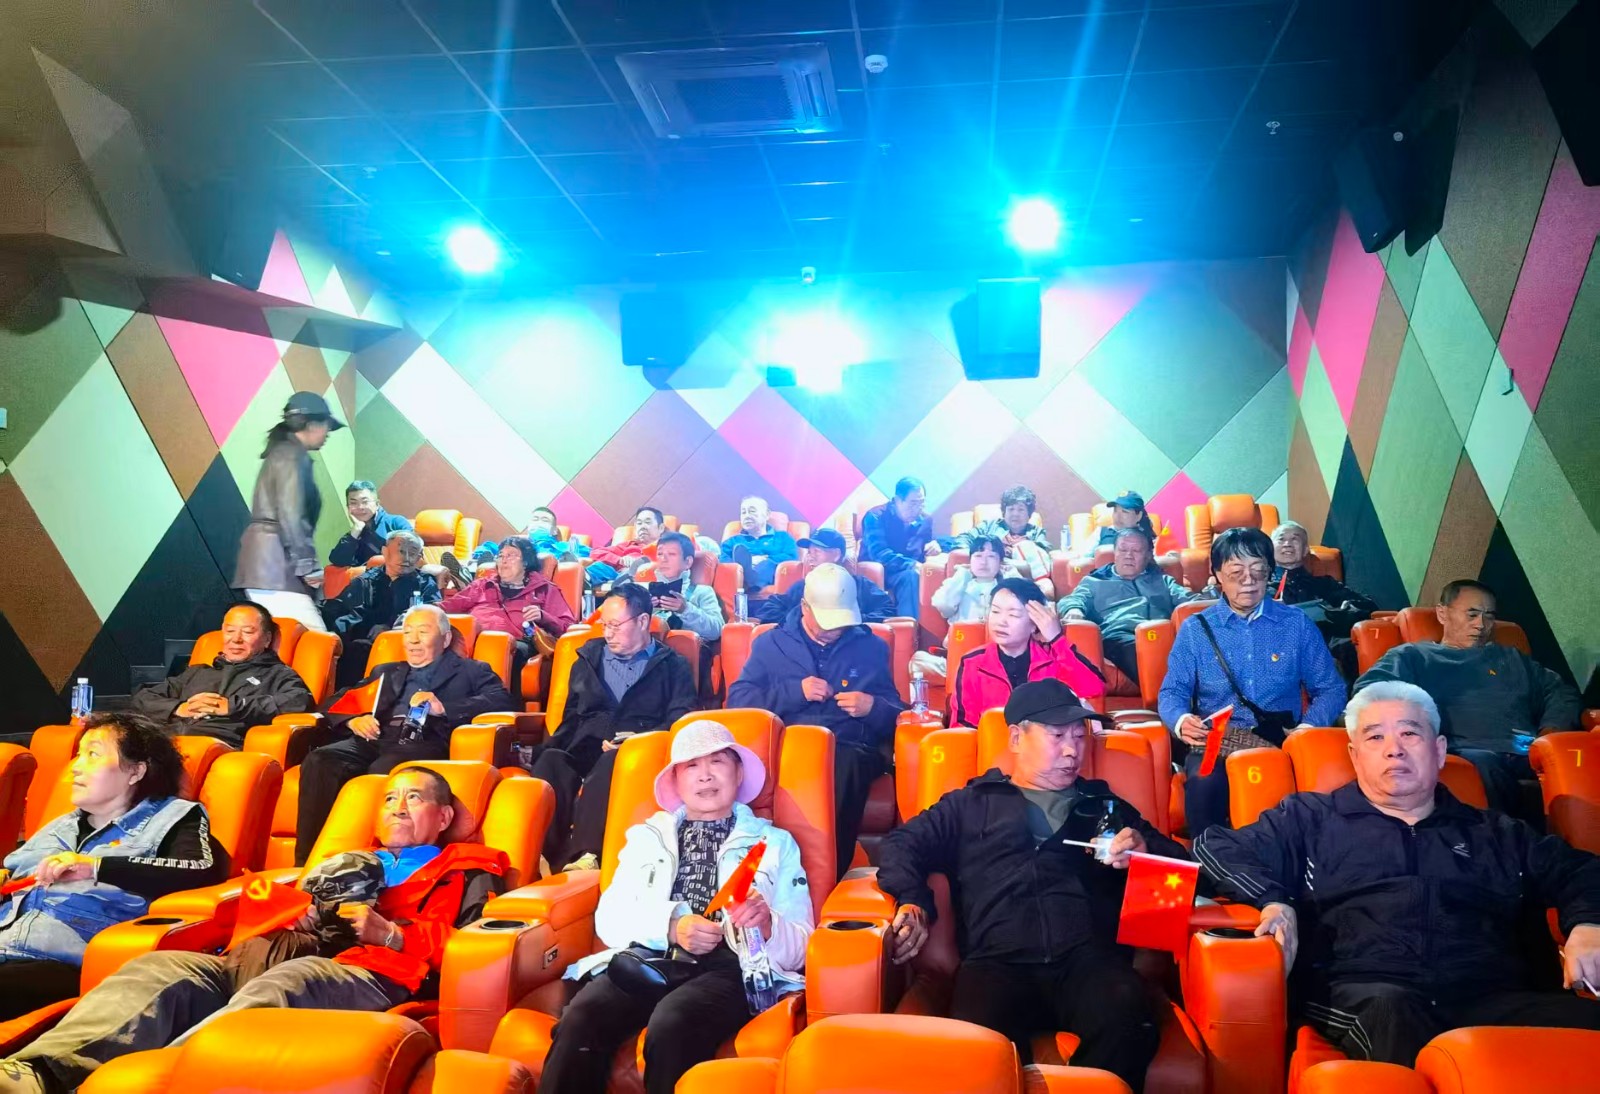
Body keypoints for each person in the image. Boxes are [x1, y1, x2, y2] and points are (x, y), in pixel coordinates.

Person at [0, 768, 507, 1094]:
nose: (397, 805)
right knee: (162, 967)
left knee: (291, 982)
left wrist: (390, 934)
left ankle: (161, 1079)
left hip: (366, 971)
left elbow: (470, 945)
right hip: (262, 954)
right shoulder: (339, 862)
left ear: (444, 816)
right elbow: (261, 907)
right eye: (390, 797)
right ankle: (38, 1071)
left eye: (414, 798)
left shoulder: (466, 869)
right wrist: (294, 912)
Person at [1193, 681, 1600, 1067]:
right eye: (1375, 737)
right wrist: (1273, 900)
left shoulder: (1495, 832)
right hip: (1365, 991)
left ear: (1439, 750)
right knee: (1394, 1014)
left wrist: (1588, 923)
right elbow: (1214, 847)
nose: (1394, 750)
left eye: (1409, 734)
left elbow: (1581, 870)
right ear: (1354, 755)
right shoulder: (1309, 818)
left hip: (1492, 996)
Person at [879, 680, 1187, 1090]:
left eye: (1080, 736)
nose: (1073, 750)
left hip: (1089, 962)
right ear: (1015, 738)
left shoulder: (1102, 806)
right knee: (974, 1044)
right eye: (1058, 736)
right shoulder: (972, 803)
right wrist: (914, 900)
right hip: (996, 963)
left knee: (1132, 1019)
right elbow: (902, 844)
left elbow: (1181, 866)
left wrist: (1145, 851)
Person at [540, 722, 813, 1094]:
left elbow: (801, 944)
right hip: (651, 959)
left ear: (738, 774)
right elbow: (610, 918)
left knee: (673, 1022)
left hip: (731, 967)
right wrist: (670, 926)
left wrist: (766, 925)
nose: (705, 775)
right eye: (691, 766)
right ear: (676, 782)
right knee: (581, 1018)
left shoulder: (775, 843)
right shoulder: (646, 838)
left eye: (717, 761)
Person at [0, 713, 228, 1020]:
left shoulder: (175, 816)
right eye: (78, 754)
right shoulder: (60, 825)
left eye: (92, 754)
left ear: (135, 771)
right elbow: (13, 875)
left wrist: (96, 867)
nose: (76, 766)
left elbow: (201, 869)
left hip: (64, 961)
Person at [1159, 527, 1346, 837]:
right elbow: (1172, 691)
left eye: (1258, 571)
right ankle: (1210, 859)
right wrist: (1180, 720)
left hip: (1282, 736)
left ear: (1269, 572)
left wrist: (1308, 728)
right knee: (1204, 783)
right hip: (1216, 738)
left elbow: (1331, 689)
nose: (1248, 580)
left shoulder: (1296, 624)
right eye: (1236, 572)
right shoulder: (1196, 629)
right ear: (1217, 575)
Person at [295, 605, 510, 864]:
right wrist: (354, 719)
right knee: (321, 760)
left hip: (424, 740)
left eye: (423, 631)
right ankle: (310, 862)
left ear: (445, 639)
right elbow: (335, 701)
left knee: (383, 769)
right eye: (407, 632)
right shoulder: (385, 671)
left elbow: (502, 700)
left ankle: (370, 860)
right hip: (375, 737)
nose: (413, 640)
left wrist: (444, 707)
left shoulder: (471, 670)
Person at [728, 564, 905, 877]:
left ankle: (823, 875)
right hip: (788, 747)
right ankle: (762, 874)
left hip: (848, 747)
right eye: (827, 621)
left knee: (841, 765)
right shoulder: (770, 644)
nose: (835, 629)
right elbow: (739, 701)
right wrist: (795, 692)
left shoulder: (870, 646)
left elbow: (897, 712)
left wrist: (872, 707)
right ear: (804, 608)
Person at [1353, 579, 1581, 818]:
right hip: (1463, 751)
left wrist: (1551, 731)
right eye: (1472, 614)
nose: (1481, 625)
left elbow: (1561, 693)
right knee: (1484, 763)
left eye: (1489, 616)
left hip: (1529, 752)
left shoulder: (1512, 658)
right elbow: (1371, 690)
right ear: (1442, 614)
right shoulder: (1413, 656)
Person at [527, 584, 697, 869]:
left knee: (611, 762)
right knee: (551, 761)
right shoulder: (587, 659)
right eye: (604, 625)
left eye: (615, 625)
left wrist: (637, 741)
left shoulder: (673, 666)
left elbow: (679, 719)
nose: (607, 633)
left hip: (633, 752)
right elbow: (571, 718)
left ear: (643, 621)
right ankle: (541, 856)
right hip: (585, 746)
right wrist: (542, 751)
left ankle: (586, 857)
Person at [129, 603, 314, 748]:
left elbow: (299, 700)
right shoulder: (198, 672)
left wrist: (232, 707)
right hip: (166, 739)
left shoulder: (276, 674)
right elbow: (143, 697)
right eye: (230, 631)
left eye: (247, 632)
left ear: (267, 639)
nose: (236, 639)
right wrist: (179, 708)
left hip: (218, 745)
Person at [233, 391, 342, 633]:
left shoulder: (282, 452)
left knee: (284, 642)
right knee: (317, 641)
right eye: (327, 426)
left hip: (266, 564)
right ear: (312, 424)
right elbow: (292, 514)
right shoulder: (293, 456)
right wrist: (308, 565)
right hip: (277, 567)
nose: (328, 433)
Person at [951, 578, 1105, 729]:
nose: (1001, 622)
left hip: (1045, 743)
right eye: (995, 611)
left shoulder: (1053, 657)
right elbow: (962, 725)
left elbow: (1093, 688)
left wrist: (1056, 638)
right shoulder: (973, 663)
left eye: (1013, 615)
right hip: (993, 743)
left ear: (1034, 623)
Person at [439, 536, 575, 700]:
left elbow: (568, 627)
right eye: (501, 556)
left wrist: (543, 616)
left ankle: (501, 702)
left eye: (511, 556)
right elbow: (447, 607)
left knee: (506, 649)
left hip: (516, 644)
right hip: (474, 642)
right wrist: (421, 610)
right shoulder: (483, 585)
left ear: (525, 562)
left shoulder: (544, 589)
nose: (504, 560)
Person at [1059, 528, 1198, 686]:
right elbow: (1073, 599)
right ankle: (1173, 693)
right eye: (1123, 550)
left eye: (1136, 551)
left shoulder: (1162, 581)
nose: (1128, 556)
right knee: (1145, 652)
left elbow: (1190, 601)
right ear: (1115, 552)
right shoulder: (1095, 581)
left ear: (1148, 555)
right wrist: (1073, 609)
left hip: (1162, 636)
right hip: (1120, 637)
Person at [322, 531, 442, 686]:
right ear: (385, 552)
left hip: (401, 643)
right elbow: (341, 609)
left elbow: (431, 615)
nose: (406, 558)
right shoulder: (366, 580)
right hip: (360, 642)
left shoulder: (424, 583)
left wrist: (391, 627)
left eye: (412, 553)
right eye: (401, 551)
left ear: (419, 557)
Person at [756, 528, 894, 625]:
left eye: (817, 551)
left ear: (836, 555)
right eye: (809, 552)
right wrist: (803, 622)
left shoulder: (860, 585)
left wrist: (850, 621)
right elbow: (769, 610)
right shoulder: (802, 586)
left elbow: (887, 610)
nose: (810, 557)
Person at [861, 477, 953, 619]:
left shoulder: (925, 520)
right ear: (897, 500)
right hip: (881, 571)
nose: (917, 509)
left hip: (909, 572)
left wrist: (934, 545)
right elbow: (879, 553)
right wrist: (911, 564)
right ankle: (908, 626)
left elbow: (928, 543)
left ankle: (929, 628)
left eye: (921, 503)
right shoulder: (876, 517)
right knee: (911, 576)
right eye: (913, 503)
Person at [1269, 522, 1376, 637]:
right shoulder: (1262, 588)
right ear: (1270, 549)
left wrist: (1343, 612)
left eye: (1295, 539)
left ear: (1305, 550)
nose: (1287, 544)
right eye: (1281, 539)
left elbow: (1369, 607)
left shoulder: (1325, 584)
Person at [633, 532, 724, 643]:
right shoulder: (644, 591)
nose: (663, 559)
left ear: (688, 562)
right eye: (660, 554)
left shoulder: (702, 591)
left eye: (671, 554)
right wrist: (644, 609)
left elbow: (717, 630)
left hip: (684, 650)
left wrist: (686, 610)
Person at [961, 486, 1052, 581]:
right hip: (993, 575)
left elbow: (1042, 556)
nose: (1015, 514)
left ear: (1029, 514)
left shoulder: (1036, 532)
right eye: (1011, 509)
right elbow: (963, 539)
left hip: (1025, 578)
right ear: (1004, 512)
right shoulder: (988, 526)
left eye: (1021, 510)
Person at [719, 496, 799, 591]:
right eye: (743, 512)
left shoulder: (783, 537)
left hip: (770, 575)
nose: (747, 516)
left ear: (767, 514)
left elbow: (791, 556)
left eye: (752, 511)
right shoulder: (732, 542)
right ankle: (747, 574)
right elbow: (724, 562)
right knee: (735, 567)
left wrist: (764, 559)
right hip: (738, 578)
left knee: (768, 564)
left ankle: (749, 579)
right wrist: (743, 565)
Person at [328, 481, 412, 568]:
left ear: (377, 504)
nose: (360, 507)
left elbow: (412, 550)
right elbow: (338, 561)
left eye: (365, 502)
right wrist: (356, 530)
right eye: (353, 503)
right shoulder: (355, 534)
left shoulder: (396, 523)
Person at [587, 507, 666, 587]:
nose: (642, 527)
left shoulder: (667, 547)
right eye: (639, 523)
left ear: (661, 528)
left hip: (645, 577)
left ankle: (624, 584)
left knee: (635, 571)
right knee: (600, 567)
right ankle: (585, 578)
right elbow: (595, 552)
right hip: (618, 574)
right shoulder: (629, 545)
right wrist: (619, 560)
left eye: (647, 522)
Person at [1080, 492, 1155, 558]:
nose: (1117, 516)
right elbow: (1082, 558)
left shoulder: (1146, 536)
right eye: (1115, 511)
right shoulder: (1101, 532)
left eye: (1124, 512)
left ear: (1139, 515)